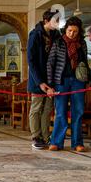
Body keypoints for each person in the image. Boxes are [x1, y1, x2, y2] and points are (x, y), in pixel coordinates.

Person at [47, 16, 90, 152]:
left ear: (79, 32)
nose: (72, 34)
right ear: (66, 30)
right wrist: (50, 84)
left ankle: (77, 143)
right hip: (61, 81)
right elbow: (50, 63)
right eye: (70, 30)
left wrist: (87, 79)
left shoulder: (82, 43)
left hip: (78, 81)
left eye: (75, 31)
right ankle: (56, 142)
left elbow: (84, 63)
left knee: (78, 111)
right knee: (60, 112)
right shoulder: (58, 42)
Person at [27, 9, 61, 150]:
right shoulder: (35, 35)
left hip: (51, 78)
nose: (58, 24)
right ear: (46, 21)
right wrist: (40, 82)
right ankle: (36, 136)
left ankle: (46, 136)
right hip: (38, 79)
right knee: (36, 108)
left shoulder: (56, 35)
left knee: (47, 109)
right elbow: (31, 60)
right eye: (55, 21)